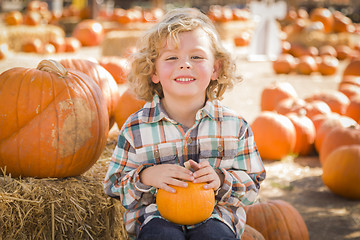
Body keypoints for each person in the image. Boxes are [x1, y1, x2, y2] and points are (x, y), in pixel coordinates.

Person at [104, 8, 266, 240]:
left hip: (216, 218)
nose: (185, 64)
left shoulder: (234, 126)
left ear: (215, 68)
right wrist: (146, 176)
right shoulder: (136, 128)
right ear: (153, 71)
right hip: (155, 219)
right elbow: (113, 185)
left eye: (197, 57)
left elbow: (253, 185)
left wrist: (221, 179)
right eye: (171, 58)